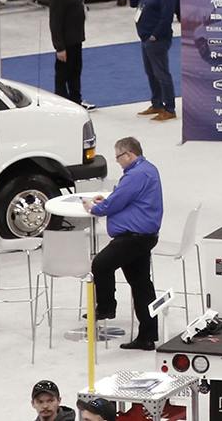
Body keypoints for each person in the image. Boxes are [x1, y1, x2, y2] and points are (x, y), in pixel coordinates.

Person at [85, 138, 164, 350]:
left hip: (133, 238)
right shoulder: (146, 170)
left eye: (118, 157)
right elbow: (125, 198)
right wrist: (109, 200)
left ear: (129, 154)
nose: (117, 162)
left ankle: (106, 308)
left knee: (101, 264)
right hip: (141, 236)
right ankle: (147, 335)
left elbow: (118, 201)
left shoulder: (136, 175)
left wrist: (95, 208)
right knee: (141, 285)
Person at [130, 0, 178, 121]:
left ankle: (169, 108)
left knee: (161, 73)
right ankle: (157, 103)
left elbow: (166, 17)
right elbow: (134, 3)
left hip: (156, 39)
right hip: (145, 37)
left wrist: (154, 35)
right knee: (150, 72)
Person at [47, 0, 88, 103]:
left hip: (75, 39)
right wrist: (59, 47)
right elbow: (55, 22)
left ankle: (76, 100)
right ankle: (62, 101)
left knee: (75, 72)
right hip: (66, 42)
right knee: (63, 75)